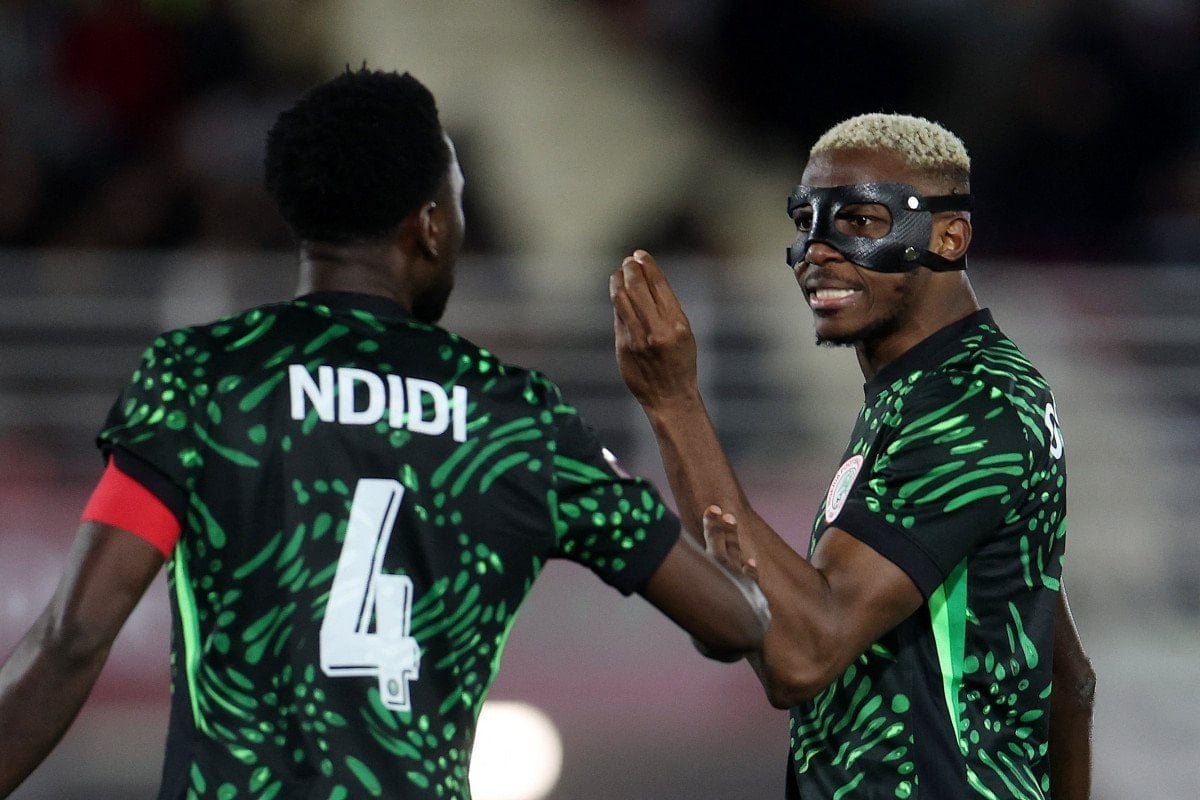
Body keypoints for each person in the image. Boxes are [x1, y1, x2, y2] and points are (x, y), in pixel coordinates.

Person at [0, 66, 769, 800]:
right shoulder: (518, 420)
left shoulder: (204, 377)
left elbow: (75, 635)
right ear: (430, 225)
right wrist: (723, 543)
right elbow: (734, 624)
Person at [610, 112, 1096, 798]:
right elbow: (1069, 680)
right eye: (804, 221)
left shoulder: (969, 404)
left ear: (949, 237)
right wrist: (744, 604)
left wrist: (674, 402)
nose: (817, 251)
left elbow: (804, 656)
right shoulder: (930, 392)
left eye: (860, 221)